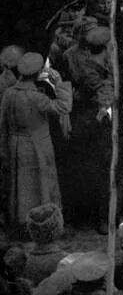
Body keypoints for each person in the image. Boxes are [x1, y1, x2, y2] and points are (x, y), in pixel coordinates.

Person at [0, 53, 72, 227]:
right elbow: (64, 107)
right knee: (41, 185)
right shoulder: (37, 98)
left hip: (15, 145)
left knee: (20, 187)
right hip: (37, 145)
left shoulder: (9, 93)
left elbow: (2, 124)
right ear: (38, 73)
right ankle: (42, 223)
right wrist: (59, 83)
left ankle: (21, 222)